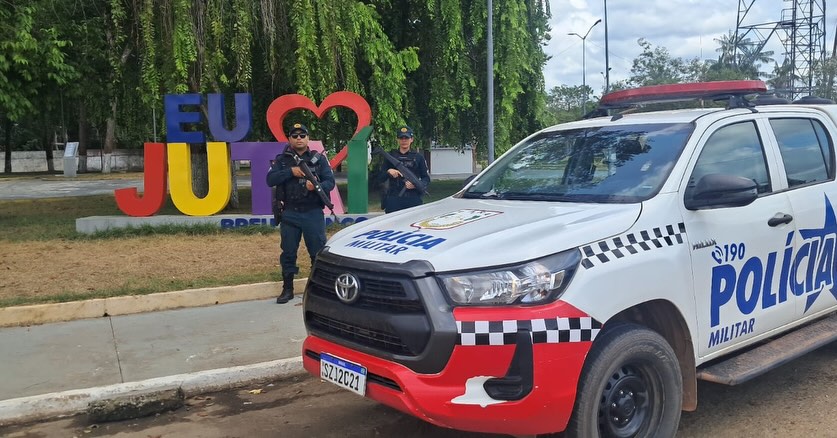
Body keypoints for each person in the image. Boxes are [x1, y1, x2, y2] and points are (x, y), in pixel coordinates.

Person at [266, 123, 335, 304]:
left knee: (317, 253)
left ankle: (317, 290)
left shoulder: (318, 160)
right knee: (288, 253)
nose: (299, 139)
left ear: (308, 139)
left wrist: (316, 186)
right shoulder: (282, 160)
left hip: (312, 213)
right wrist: (291, 171)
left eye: (302, 135)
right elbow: (270, 179)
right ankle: (287, 289)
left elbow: (330, 182)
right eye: (294, 136)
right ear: (289, 139)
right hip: (290, 214)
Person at [378, 126, 430, 213]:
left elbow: (426, 178)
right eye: (401, 138)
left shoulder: (418, 157)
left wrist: (417, 185)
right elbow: (380, 178)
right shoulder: (390, 156)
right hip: (394, 198)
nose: (404, 140)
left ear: (411, 139)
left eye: (406, 138)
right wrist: (388, 172)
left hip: (413, 199)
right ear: (397, 140)